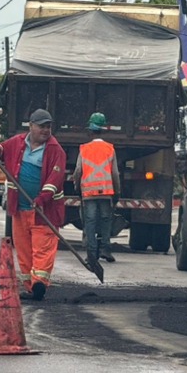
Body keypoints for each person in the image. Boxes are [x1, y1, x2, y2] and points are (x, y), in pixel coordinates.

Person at [0, 109, 66, 301]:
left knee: (43, 248)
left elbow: (54, 181)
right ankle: (30, 287)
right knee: (23, 249)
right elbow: (0, 147)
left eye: (48, 126)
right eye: (42, 126)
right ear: (31, 126)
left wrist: (40, 200)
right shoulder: (17, 143)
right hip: (19, 208)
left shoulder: (56, 151)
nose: (46, 130)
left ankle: (39, 283)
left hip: (44, 210)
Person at [73, 113, 121, 266]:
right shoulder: (110, 149)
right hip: (106, 191)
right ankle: (106, 249)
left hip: (89, 192)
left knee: (90, 222)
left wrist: (77, 187)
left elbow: (78, 171)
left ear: (90, 131)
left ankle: (91, 254)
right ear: (103, 129)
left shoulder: (84, 149)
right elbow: (114, 173)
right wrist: (117, 192)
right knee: (106, 220)